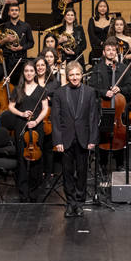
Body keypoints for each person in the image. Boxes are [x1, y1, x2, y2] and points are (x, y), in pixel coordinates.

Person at [51, 61, 99, 218]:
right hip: (65, 139)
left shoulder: (90, 92)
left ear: (82, 75)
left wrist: (93, 139)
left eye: (77, 74)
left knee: (82, 172)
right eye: (71, 75)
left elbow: (93, 117)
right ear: (67, 76)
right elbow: (56, 119)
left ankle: (80, 203)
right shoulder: (59, 93)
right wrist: (57, 141)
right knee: (67, 172)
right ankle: (70, 203)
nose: (75, 77)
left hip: (84, 139)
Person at [9, 60, 49, 202]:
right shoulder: (18, 89)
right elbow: (11, 106)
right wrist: (21, 114)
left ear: (35, 72)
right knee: (21, 159)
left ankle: (34, 191)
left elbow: (45, 109)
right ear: (23, 73)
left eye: (31, 71)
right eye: (26, 71)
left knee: (37, 159)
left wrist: (36, 121)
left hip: (37, 126)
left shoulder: (41, 90)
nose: (29, 73)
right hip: (21, 125)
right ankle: (23, 191)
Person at [92, 39, 131, 173]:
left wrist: (119, 89)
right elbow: (92, 88)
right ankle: (102, 164)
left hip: (118, 109)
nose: (110, 52)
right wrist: (105, 92)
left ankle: (120, 163)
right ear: (104, 52)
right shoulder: (98, 69)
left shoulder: (122, 68)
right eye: (108, 50)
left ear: (116, 52)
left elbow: (129, 88)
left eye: (113, 50)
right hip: (103, 108)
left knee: (119, 133)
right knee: (103, 134)